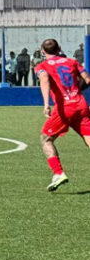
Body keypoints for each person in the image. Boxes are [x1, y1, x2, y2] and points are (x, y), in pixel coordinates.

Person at [35, 39, 90, 192]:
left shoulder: (42, 66)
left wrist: (46, 104)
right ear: (59, 48)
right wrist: (76, 92)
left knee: (46, 138)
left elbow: (44, 80)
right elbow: (88, 79)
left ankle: (58, 173)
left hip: (64, 108)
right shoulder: (72, 62)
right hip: (81, 105)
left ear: (42, 51)